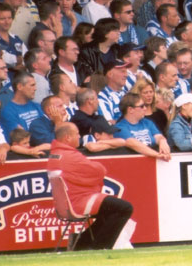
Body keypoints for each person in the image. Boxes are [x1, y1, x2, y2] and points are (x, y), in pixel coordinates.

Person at [48, 122, 135, 250]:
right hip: (79, 201)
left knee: (111, 209)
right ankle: (99, 247)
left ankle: (82, 242)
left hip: (69, 202)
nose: (79, 136)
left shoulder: (55, 155)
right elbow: (99, 171)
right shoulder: (70, 156)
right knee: (124, 207)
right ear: (67, 138)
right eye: (77, 134)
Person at [114, 93, 172, 160]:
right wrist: (157, 155)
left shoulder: (147, 122)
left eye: (145, 105)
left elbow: (158, 136)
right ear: (130, 110)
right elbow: (133, 143)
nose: (145, 108)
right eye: (142, 106)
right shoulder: (120, 127)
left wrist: (162, 141)